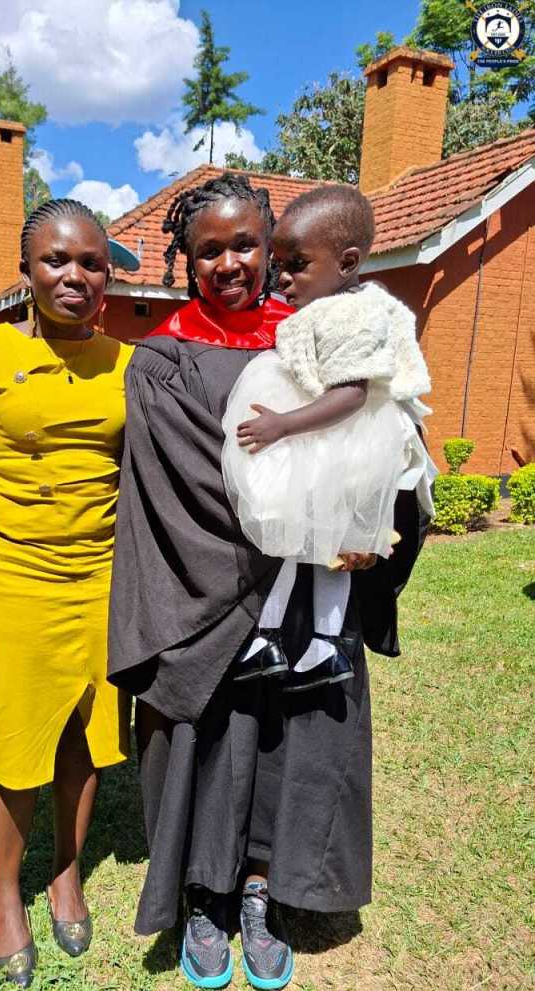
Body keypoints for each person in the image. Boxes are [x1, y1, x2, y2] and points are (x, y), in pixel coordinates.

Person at [108, 173, 428, 991]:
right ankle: (204, 897)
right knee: (209, 741)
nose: (230, 264)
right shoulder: (163, 357)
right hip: (208, 595)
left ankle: (261, 889)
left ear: (271, 244)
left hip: (313, 588)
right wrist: (296, 537)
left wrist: (368, 528)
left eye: (245, 244)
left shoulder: (322, 329)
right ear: (185, 260)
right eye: (208, 250)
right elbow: (179, 489)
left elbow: (390, 429)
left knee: (296, 744)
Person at [0, 199, 132, 989]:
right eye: (56, 260)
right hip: (17, 582)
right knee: (16, 749)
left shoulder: (126, 363)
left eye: (90, 262)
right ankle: (6, 892)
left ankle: (66, 872)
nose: (74, 275)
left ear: (108, 273)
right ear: (26, 271)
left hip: (104, 584)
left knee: (85, 738)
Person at [221, 185, 437, 691]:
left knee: (308, 544)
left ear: (347, 263)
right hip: (327, 442)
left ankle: (296, 639)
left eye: (297, 265)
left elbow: (351, 394)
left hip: (341, 443)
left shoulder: (351, 314)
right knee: (317, 546)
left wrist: (282, 425)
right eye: (280, 266)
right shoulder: (336, 305)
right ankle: (314, 643)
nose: (283, 278)